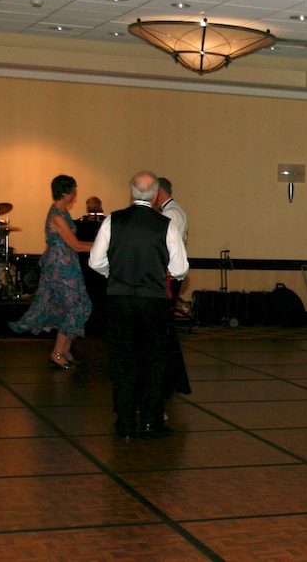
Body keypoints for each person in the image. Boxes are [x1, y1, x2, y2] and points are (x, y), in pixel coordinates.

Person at [89, 171, 189, 439]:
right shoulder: (165, 225)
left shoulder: (113, 220)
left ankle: (124, 424)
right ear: (156, 194)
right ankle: (149, 421)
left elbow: (95, 262)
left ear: (131, 192)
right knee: (153, 362)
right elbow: (179, 269)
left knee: (123, 361)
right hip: (153, 302)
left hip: (120, 301)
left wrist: (116, 274)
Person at [10, 175, 93, 369]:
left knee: (81, 305)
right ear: (66, 192)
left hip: (68, 264)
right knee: (73, 307)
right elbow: (76, 244)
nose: (76, 193)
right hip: (60, 267)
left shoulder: (63, 213)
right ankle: (57, 353)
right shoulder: (56, 215)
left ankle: (65, 350)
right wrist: (105, 246)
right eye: (74, 189)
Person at [155, 177, 192, 401]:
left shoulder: (171, 214)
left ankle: (167, 372)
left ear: (159, 192)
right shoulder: (175, 211)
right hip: (169, 274)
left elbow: (167, 249)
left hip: (168, 275)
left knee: (164, 324)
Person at [74, 196, 107, 336]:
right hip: (85, 265)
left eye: (94, 208)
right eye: (89, 208)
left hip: (101, 266)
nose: (92, 211)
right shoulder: (81, 223)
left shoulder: (106, 223)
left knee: (101, 295)